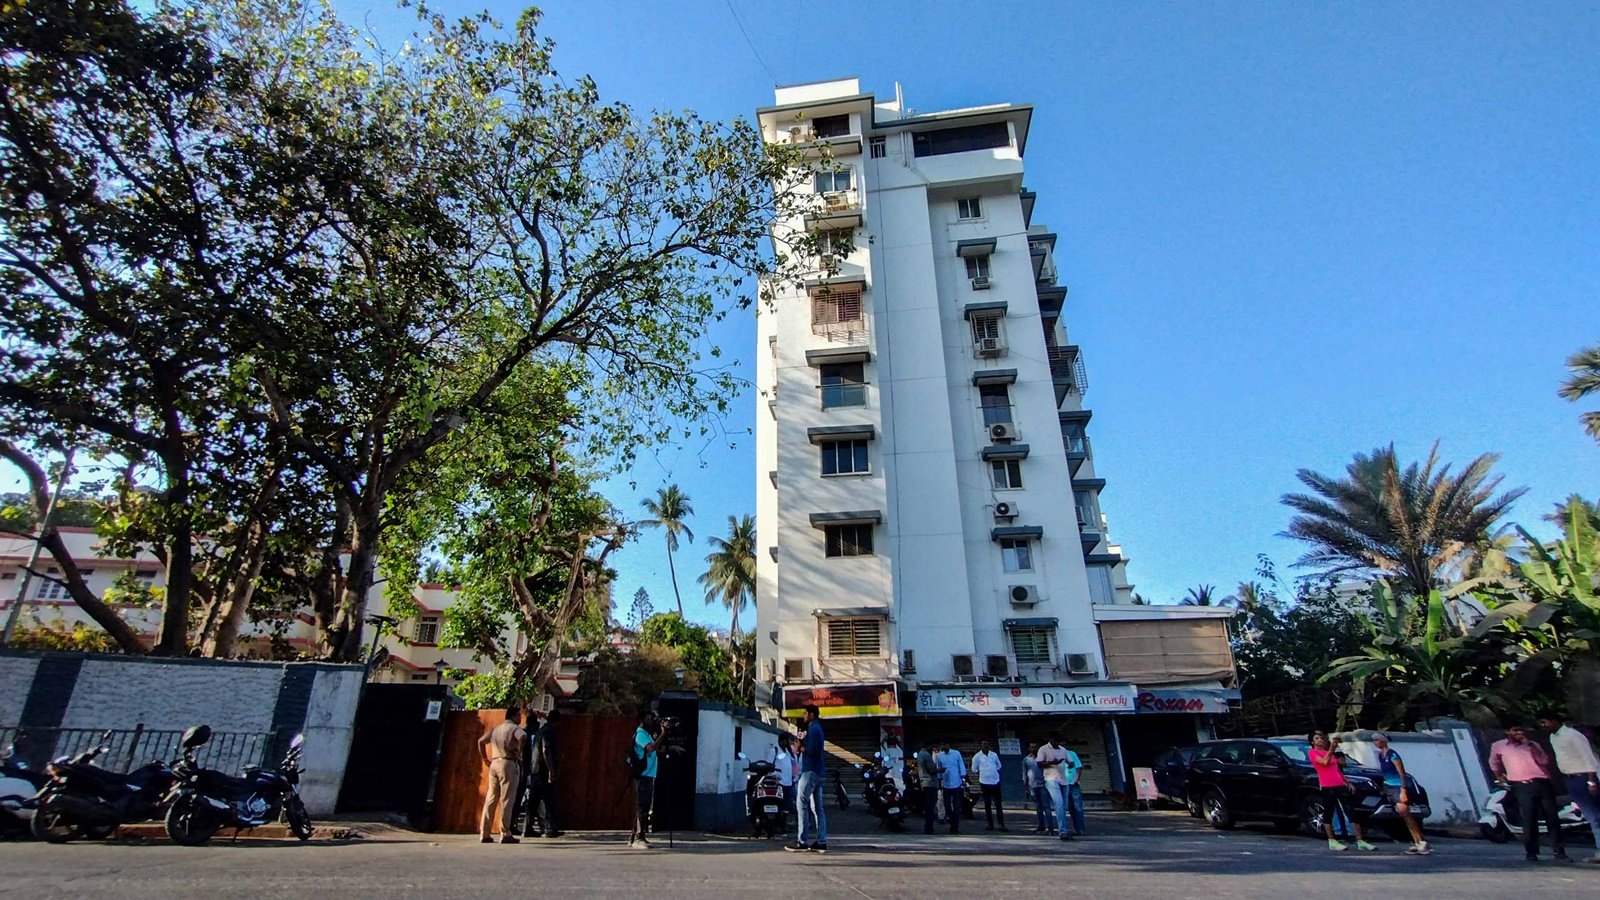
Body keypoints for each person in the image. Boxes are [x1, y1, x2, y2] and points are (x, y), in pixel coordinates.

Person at [1490, 723, 1569, 862]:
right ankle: (1531, 851)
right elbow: (1494, 762)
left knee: (1551, 817)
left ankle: (1559, 850)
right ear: (1508, 731)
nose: (1519, 732)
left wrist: (1530, 746)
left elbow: (1544, 761)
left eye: (1521, 729)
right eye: (1515, 730)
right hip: (1522, 785)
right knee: (1529, 818)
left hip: (1542, 782)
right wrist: (1499, 775)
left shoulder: (1533, 744)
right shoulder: (1499, 746)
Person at [1538, 713, 1600, 864]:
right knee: (1590, 815)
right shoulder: (1554, 737)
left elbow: (1588, 757)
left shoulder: (1573, 735)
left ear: (1554, 721)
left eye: (1545, 722)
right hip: (1569, 778)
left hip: (1583, 777)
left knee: (1594, 815)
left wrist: (1592, 781)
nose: (1543, 726)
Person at [1309, 731, 1376, 852]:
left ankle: (1360, 840)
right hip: (1328, 785)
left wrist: (1347, 782)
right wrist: (1331, 749)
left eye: (1321, 738)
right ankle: (1332, 840)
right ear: (1312, 742)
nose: (1320, 740)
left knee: (1350, 810)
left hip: (1340, 784)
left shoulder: (1328, 752)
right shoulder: (1313, 753)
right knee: (1329, 812)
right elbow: (1324, 762)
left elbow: (1337, 769)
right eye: (1317, 738)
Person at [1370, 733, 1429, 855]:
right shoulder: (1381, 756)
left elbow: (1401, 772)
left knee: (1405, 813)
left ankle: (1421, 841)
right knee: (1404, 815)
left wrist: (1403, 789)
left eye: (1376, 740)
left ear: (1383, 741)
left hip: (1397, 786)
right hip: (1389, 786)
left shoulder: (1393, 754)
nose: (1375, 742)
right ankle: (1418, 842)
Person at [477, 707, 526, 844]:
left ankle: (484, 832)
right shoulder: (514, 728)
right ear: (514, 716)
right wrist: (518, 751)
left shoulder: (496, 729)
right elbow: (523, 737)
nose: (520, 718)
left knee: (491, 799)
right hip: (508, 762)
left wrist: (485, 759)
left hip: (494, 762)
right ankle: (505, 833)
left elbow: (481, 741)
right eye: (519, 716)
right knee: (507, 799)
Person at [787, 704, 828, 853]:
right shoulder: (816, 728)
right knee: (817, 807)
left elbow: (814, 750)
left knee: (801, 804)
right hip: (818, 772)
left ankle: (802, 840)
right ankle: (821, 841)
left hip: (810, 771)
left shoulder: (814, 729)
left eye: (805, 714)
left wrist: (801, 747)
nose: (803, 716)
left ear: (811, 714)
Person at [629, 709, 665, 848]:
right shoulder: (640, 734)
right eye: (649, 719)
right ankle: (639, 837)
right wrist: (663, 733)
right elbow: (651, 748)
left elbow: (656, 749)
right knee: (642, 805)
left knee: (644, 804)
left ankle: (635, 835)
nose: (651, 722)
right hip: (643, 774)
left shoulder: (646, 734)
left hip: (649, 774)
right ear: (642, 721)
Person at [523, 709, 560, 838]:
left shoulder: (540, 731)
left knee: (533, 801)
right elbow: (546, 749)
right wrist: (551, 770)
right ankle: (551, 828)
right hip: (543, 771)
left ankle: (527, 827)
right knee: (549, 800)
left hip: (534, 770)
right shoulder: (549, 732)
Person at [1034, 734, 1076, 841]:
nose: (1057, 743)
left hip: (1063, 780)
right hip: (1051, 779)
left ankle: (1064, 828)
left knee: (1064, 806)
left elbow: (1070, 761)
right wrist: (1051, 762)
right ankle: (1063, 831)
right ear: (1051, 740)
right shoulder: (1043, 749)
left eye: (1059, 741)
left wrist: (1070, 764)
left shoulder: (1063, 750)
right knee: (1059, 803)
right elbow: (1039, 764)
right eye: (1055, 741)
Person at [972, 740, 1006, 831]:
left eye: (987, 744)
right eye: (984, 744)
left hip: (995, 781)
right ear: (981, 745)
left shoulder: (994, 755)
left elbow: (999, 766)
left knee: (998, 804)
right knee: (987, 804)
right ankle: (990, 824)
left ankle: (1001, 824)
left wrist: (992, 772)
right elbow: (974, 769)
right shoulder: (977, 757)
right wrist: (983, 773)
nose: (986, 745)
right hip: (984, 782)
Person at [938, 742, 968, 834]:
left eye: (945, 745)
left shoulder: (956, 753)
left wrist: (963, 777)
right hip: (946, 784)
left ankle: (955, 827)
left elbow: (961, 766)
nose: (943, 746)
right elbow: (939, 768)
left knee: (956, 807)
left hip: (956, 783)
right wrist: (939, 781)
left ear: (948, 745)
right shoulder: (940, 756)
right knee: (947, 806)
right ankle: (951, 820)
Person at [1022, 743, 1051, 834]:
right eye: (1032, 747)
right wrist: (1026, 788)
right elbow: (1024, 774)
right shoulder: (1026, 760)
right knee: (1038, 807)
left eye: (1035, 747)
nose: (1033, 748)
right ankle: (1041, 826)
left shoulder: (1042, 758)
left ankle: (1050, 827)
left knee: (1046, 806)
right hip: (1033, 786)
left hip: (1043, 785)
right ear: (1029, 748)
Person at [915, 742, 941, 835]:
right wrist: (941, 769)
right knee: (930, 808)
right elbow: (932, 770)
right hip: (930, 783)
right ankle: (929, 828)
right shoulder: (926, 755)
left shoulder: (920, 754)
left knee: (928, 807)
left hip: (924, 783)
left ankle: (928, 827)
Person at [772, 734, 798, 815]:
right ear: (781, 741)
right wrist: (775, 775)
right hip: (780, 781)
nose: (787, 743)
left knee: (788, 804)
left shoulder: (787, 751)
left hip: (788, 782)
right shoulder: (774, 750)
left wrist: (791, 751)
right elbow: (770, 764)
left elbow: (794, 761)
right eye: (785, 741)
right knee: (780, 803)